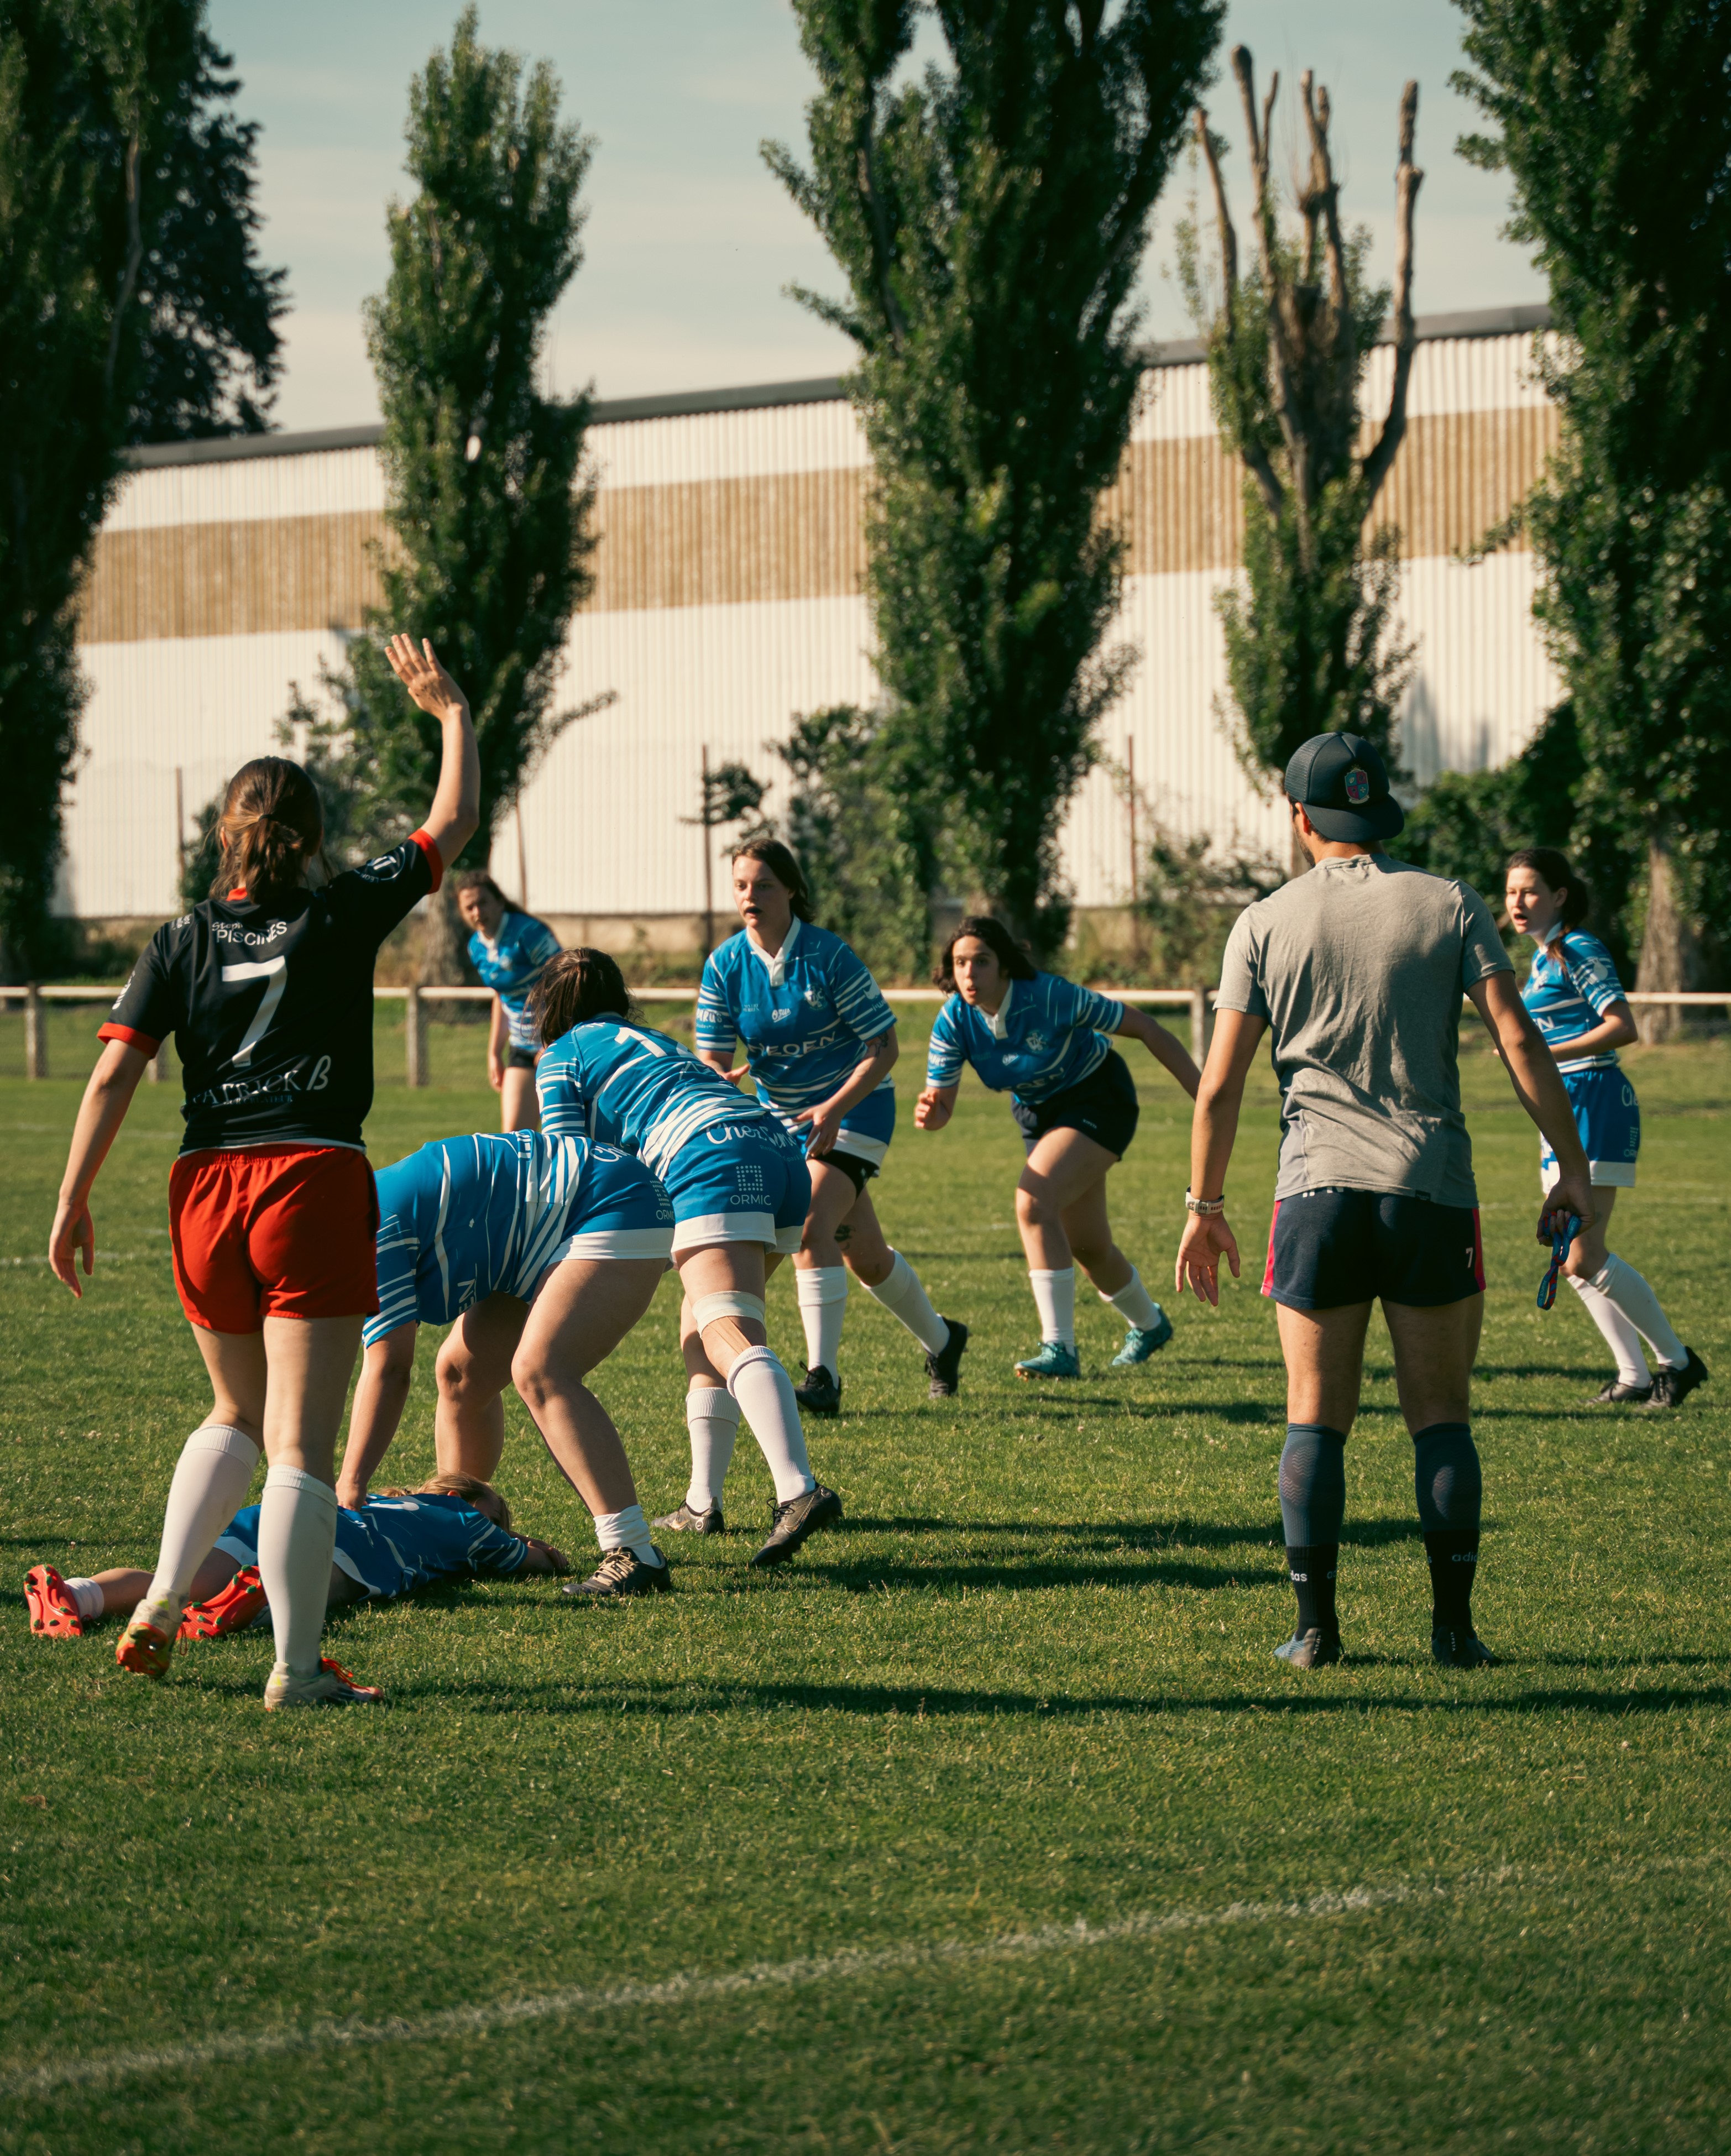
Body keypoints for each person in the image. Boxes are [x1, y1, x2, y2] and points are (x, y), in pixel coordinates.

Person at [48, 632, 479, 1710]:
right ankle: (294, 1671)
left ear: (224, 835)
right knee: (299, 1443)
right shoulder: (338, 911)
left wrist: (72, 1201)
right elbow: (451, 827)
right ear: (312, 837)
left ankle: (153, 1606)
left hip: (203, 1189)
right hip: (309, 1181)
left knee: (231, 1414)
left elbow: (110, 1081)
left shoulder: (182, 939)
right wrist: (452, 715)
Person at [1176, 731, 1598, 1674]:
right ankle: (1454, 1632)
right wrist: (1569, 1166)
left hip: (1313, 1195)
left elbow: (1218, 1088)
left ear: (1298, 816)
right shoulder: (1448, 902)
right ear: (1377, 811)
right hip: (1430, 1192)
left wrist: (1204, 1203)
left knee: (1313, 1414)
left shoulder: (1262, 922)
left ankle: (1315, 1631)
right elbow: (1519, 1042)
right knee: (1441, 1415)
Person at [534, 949, 843, 1563]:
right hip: (775, 1149)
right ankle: (702, 1502)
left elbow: (568, 1165)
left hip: (708, 1157)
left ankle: (798, 1490)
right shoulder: (652, 1038)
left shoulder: (559, 1057)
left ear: (547, 1005)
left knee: (725, 1327)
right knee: (702, 1325)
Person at [334, 1128, 679, 1602]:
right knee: (462, 1374)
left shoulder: (367, 1230)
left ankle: (635, 1552)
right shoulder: (354, 1216)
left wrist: (350, 1485)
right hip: (546, 1227)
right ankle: (458, 1529)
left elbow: (390, 1369)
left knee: (541, 1369)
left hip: (611, 1201)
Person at [694, 837, 968, 1419]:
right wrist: (725, 1078)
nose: (750, 897)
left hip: (857, 1111)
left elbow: (885, 1046)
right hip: (782, 1122)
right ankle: (944, 1342)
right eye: (741, 885)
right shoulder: (723, 966)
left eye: (763, 885)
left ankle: (823, 1379)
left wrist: (834, 1108)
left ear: (791, 889)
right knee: (862, 1254)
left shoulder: (827, 956)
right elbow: (712, 1062)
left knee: (812, 1226)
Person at [916, 915, 1200, 1377]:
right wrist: (932, 1115)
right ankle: (1149, 1325)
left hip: (1098, 1097)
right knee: (1088, 1247)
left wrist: (1206, 1096)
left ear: (1004, 966)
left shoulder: (1050, 996)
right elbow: (941, 1105)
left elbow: (1146, 1028)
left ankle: (1059, 1350)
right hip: (1039, 1115)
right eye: (960, 963)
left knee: (1033, 1201)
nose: (969, 974)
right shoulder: (953, 1021)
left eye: (981, 962)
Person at [1506, 847, 1707, 1409]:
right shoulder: (1542, 958)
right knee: (1568, 1255)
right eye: (1510, 893)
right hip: (1562, 1107)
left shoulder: (1577, 948)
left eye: (1528, 891)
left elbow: (1622, 1027)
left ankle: (1678, 1363)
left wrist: (1546, 1055)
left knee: (1583, 1253)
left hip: (1594, 1100)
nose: (1516, 903)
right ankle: (1632, 1376)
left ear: (1559, 896)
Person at [25, 1474, 569, 1643]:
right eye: (496, 1514)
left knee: (176, 1580)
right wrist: (543, 1551)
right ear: (462, 1499)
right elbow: (531, 1561)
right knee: (324, 1586)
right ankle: (249, 1605)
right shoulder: (464, 1521)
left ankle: (77, 1593)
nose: (496, 1525)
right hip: (353, 1547)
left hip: (271, 1514)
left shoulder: (385, 1497)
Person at [456, 871, 563, 1133]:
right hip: (522, 1049)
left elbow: (566, 987)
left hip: (559, 1046)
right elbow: (501, 997)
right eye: (469, 907)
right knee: (515, 1140)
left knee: (566, 1138)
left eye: (483, 903)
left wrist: (553, 1041)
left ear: (499, 902)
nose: (477, 912)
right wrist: (494, 1052)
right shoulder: (476, 947)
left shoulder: (529, 933)